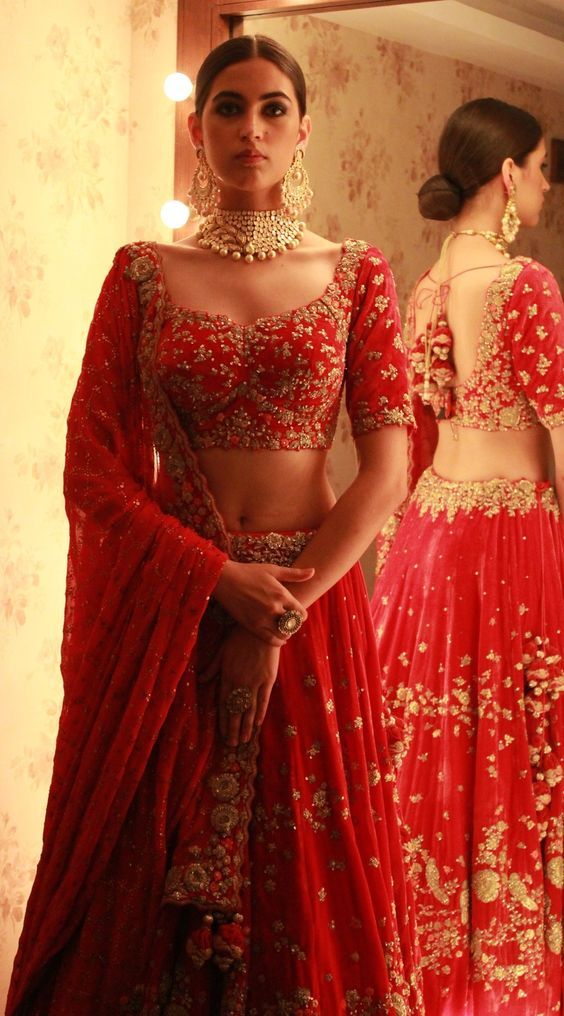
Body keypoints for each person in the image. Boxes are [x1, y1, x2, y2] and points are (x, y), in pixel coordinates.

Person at [7, 35, 423, 1016]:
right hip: (177, 617)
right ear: (198, 129)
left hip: (309, 611)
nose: (252, 127)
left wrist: (276, 611)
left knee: (308, 872)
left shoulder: (357, 274)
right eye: (229, 107)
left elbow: (387, 470)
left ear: (304, 127)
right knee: (140, 871)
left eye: (274, 107)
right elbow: (94, 468)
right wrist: (216, 579)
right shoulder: (143, 273)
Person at [371, 97, 564, 1015]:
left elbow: (412, 431)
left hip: (430, 536)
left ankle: (432, 966)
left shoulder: (431, 279)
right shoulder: (523, 284)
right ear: (508, 177)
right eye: (540, 166)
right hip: (510, 535)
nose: (547, 182)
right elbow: (563, 428)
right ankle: (509, 976)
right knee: (516, 744)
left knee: (439, 755)